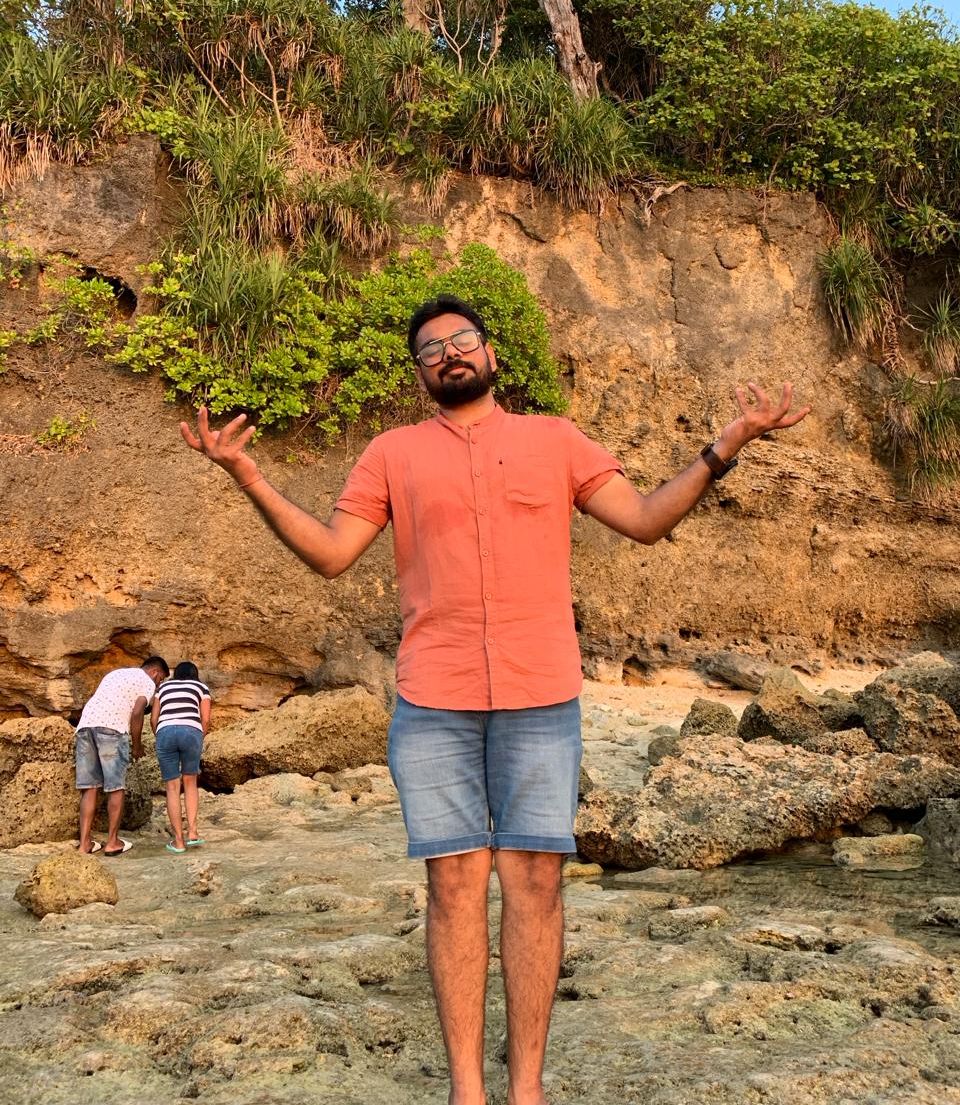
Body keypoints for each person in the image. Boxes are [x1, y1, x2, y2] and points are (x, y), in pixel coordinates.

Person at [180, 294, 809, 1105]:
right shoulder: (392, 453)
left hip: (540, 694)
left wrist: (725, 447)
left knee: (537, 884)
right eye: (431, 349)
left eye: (462, 340)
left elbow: (647, 519)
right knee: (452, 889)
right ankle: (467, 1092)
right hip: (432, 700)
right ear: (420, 375)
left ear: (491, 355)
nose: (449, 354)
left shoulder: (556, 440)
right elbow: (333, 554)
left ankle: (527, 1091)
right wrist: (249, 475)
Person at [75, 656, 169, 856]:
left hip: (85, 727)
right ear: (155, 672)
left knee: (89, 788)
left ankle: (84, 845)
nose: (158, 685)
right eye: (160, 679)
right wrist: (137, 745)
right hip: (112, 729)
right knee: (116, 787)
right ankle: (112, 842)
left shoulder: (114, 674)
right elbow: (137, 712)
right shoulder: (146, 681)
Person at [151, 659, 212, 853]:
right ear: (195, 675)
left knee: (172, 787)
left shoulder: (163, 688)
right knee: (190, 781)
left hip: (165, 732)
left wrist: (160, 735)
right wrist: (199, 736)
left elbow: (153, 718)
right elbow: (206, 719)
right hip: (191, 731)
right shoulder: (201, 687)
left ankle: (178, 841)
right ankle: (192, 832)